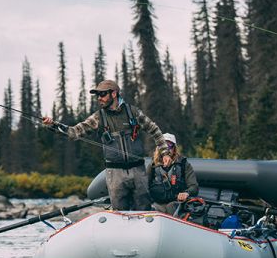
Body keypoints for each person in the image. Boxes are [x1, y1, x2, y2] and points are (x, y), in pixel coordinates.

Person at [42, 79, 169, 211]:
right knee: (119, 214)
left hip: (138, 171)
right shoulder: (98, 117)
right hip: (114, 174)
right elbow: (74, 132)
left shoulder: (134, 113)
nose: (99, 98)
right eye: (98, 95)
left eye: (102, 94)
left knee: (144, 210)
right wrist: (53, 125)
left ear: (114, 94)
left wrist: (164, 152)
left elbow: (155, 130)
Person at [146, 133, 199, 215]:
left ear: (174, 148)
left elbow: (194, 187)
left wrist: (186, 193)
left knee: (171, 207)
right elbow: (144, 186)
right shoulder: (152, 165)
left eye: (169, 145)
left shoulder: (184, 164)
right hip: (156, 205)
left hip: (176, 205)